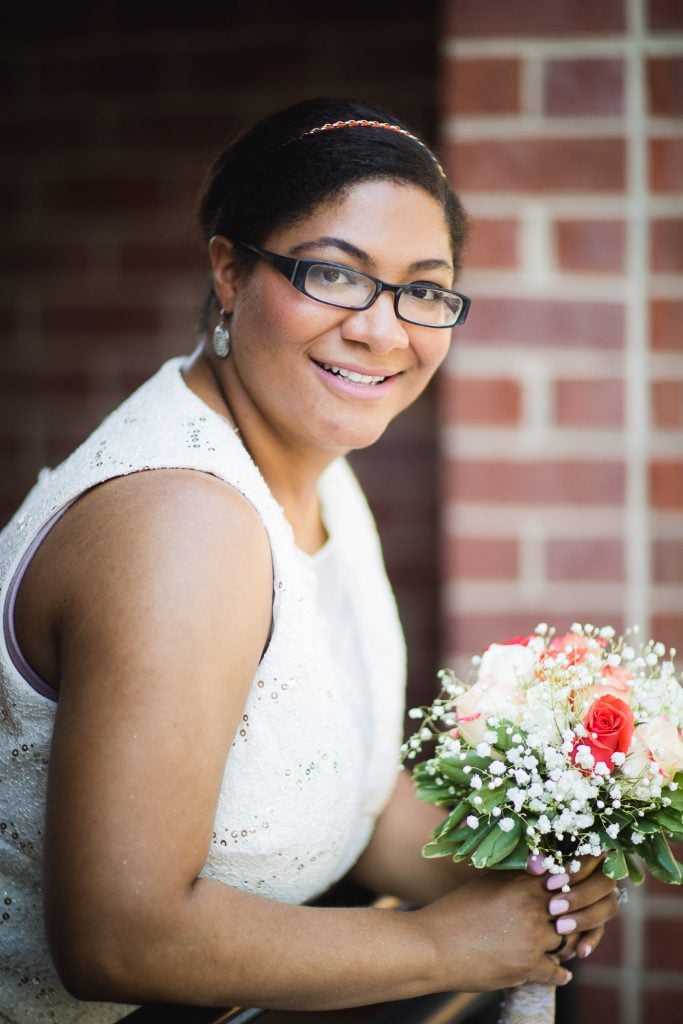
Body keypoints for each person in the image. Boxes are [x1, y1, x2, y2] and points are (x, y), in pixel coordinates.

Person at [0, 97, 619, 1023]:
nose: (383, 330)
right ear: (228, 272)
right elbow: (116, 939)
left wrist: (529, 879)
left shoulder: (313, 467)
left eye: (424, 288)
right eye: (334, 275)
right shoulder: (184, 523)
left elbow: (350, 800)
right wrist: (442, 944)